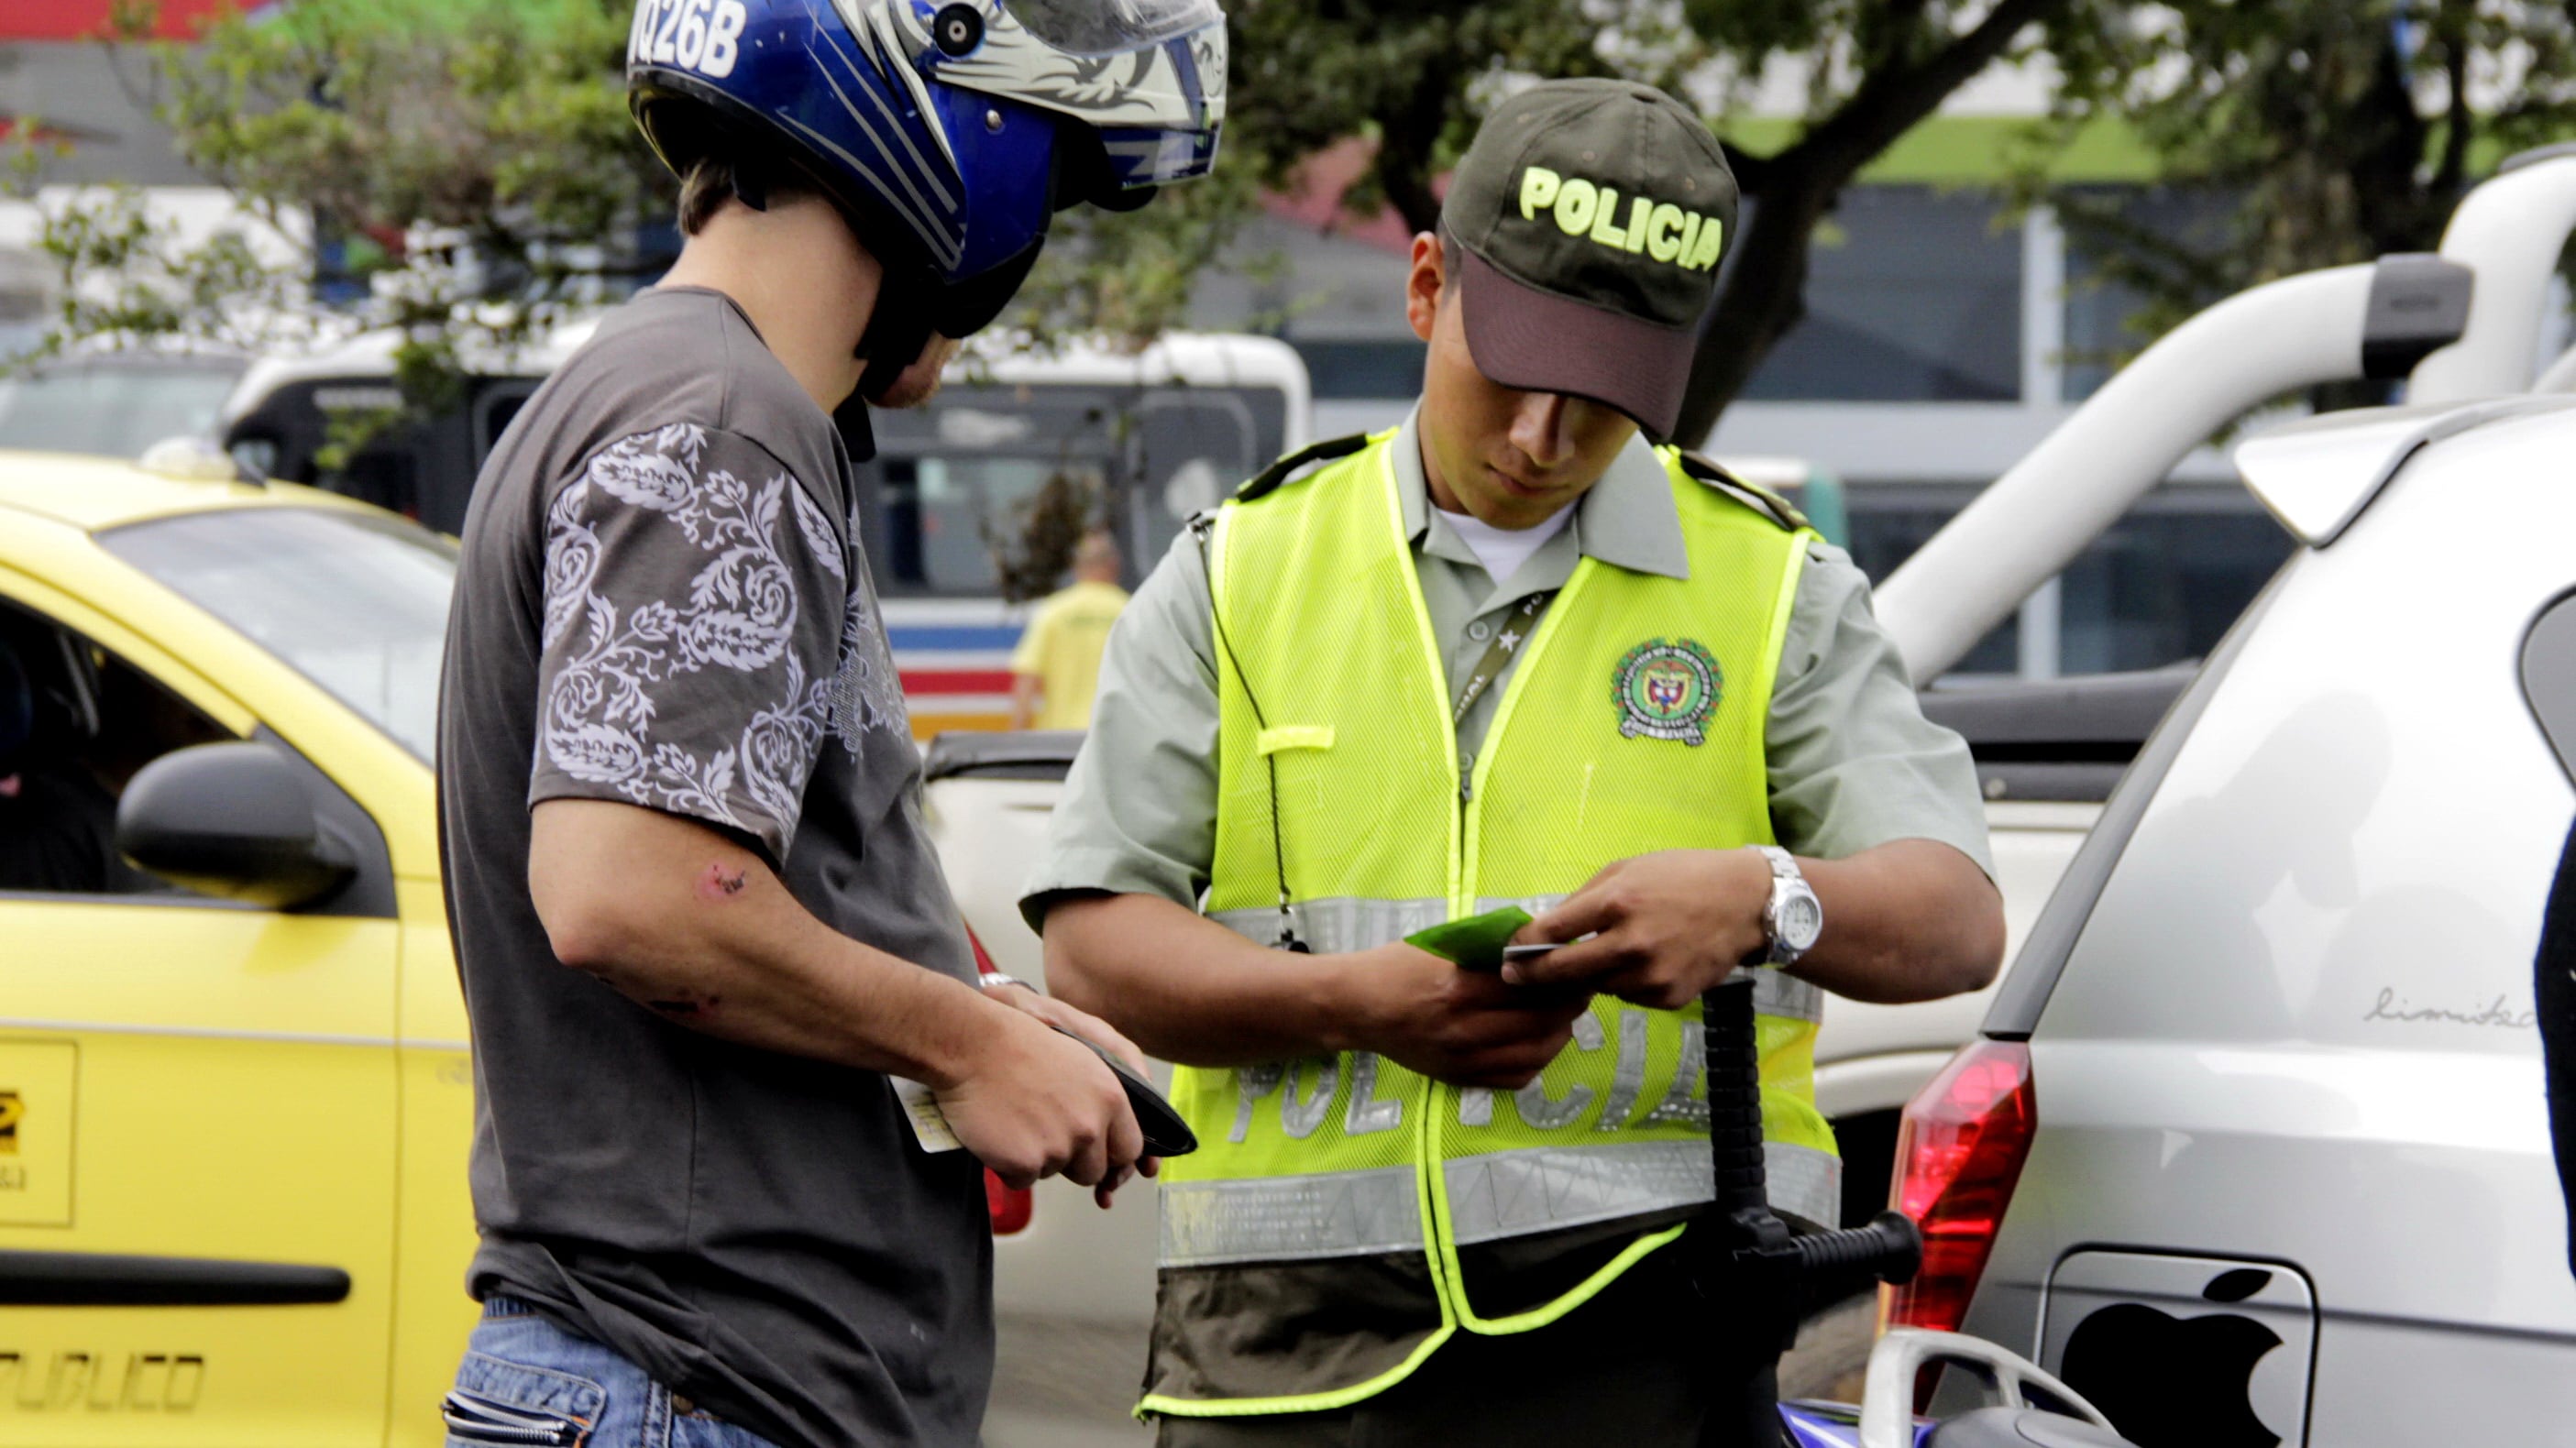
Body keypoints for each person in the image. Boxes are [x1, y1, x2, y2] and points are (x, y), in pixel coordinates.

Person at [1023, 79, 2007, 1447]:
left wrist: (1766, 895)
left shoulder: (1774, 590)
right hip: (1286, 1362)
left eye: (1601, 401)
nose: (1541, 441)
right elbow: (1094, 944)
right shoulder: (1237, 571)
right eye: (1513, 374)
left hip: (1653, 1346)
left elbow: (1955, 920)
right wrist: (1360, 1001)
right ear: (1426, 288)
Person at [432, 3, 1227, 1446]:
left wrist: (959, 1007)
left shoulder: (676, 392)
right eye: (1046, 181)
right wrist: (961, 1051)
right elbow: (629, 893)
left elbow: (719, 872)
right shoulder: (719, 420)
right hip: (701, 1385)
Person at [1009, 528, 1128, 729]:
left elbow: (1026, 683)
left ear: (1077, 567)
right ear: (1114, 565)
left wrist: (1016, 739)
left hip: (1060, 741)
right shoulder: (1131, 610)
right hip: (1114, 739)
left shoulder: (1053, 612)